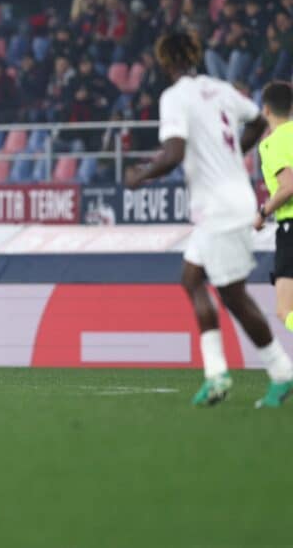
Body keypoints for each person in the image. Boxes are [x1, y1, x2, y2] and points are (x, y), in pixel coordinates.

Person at [124, 33, 293, 408]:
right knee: (192, 278)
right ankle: (215, 374)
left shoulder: (174, 97)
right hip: (223, 204)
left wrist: (141, 175)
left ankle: (280, 371)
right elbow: (254, 121)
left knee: (232, 294)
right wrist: (233, 156)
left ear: (165, 62)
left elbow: (174, 152)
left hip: (220, 208)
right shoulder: (219, 89)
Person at [255, 82, 293, 337]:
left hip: (291, 228)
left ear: (266, 110)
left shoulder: (271, 143)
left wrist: (262, 212)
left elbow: (288, 185)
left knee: (285, 309)